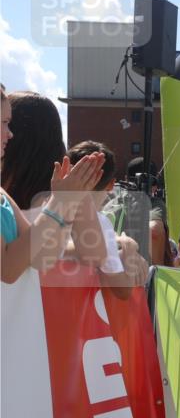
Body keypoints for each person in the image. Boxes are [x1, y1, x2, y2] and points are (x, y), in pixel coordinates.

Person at [1, 84, 104, 283]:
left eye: (8, 122)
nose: (8, 133)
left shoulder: (5, 190)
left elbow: (35, 256)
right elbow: (94, 253)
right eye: (4, 122)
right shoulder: (69, 187)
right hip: (36, 307)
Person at [66, 141, 149, 298]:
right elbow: (123, 290)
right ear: (111, 184)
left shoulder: (46, 211)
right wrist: (129, 251)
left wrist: (117, 241)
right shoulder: (100, 224)